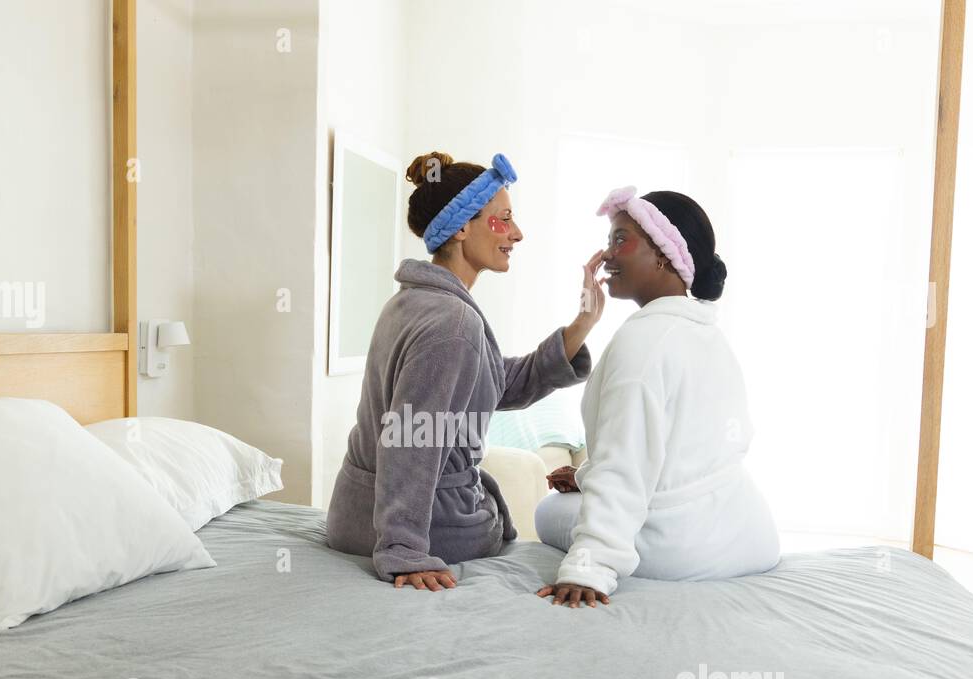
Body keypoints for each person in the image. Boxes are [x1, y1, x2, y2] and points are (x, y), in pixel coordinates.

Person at [326, 151, 604, 590]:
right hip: (424, 528)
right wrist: (404, 551)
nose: (517, 233)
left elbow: (498, 384)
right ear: (461, 227)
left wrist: (582, 324)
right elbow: (413, 439)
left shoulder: (412, 301)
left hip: (356, 517)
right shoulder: (453, 324)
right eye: (503, 219)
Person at [535, 186, 779, 608]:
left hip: (687, 546)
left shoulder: (642, 341)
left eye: (620, 239)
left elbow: (623, 463)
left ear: (665, 254)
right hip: (749, 532)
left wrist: (587, 568)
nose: (607, 255)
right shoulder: (705, 331)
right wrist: (584, 476)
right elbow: (683, 449)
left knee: (547, 514)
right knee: (583, 492)